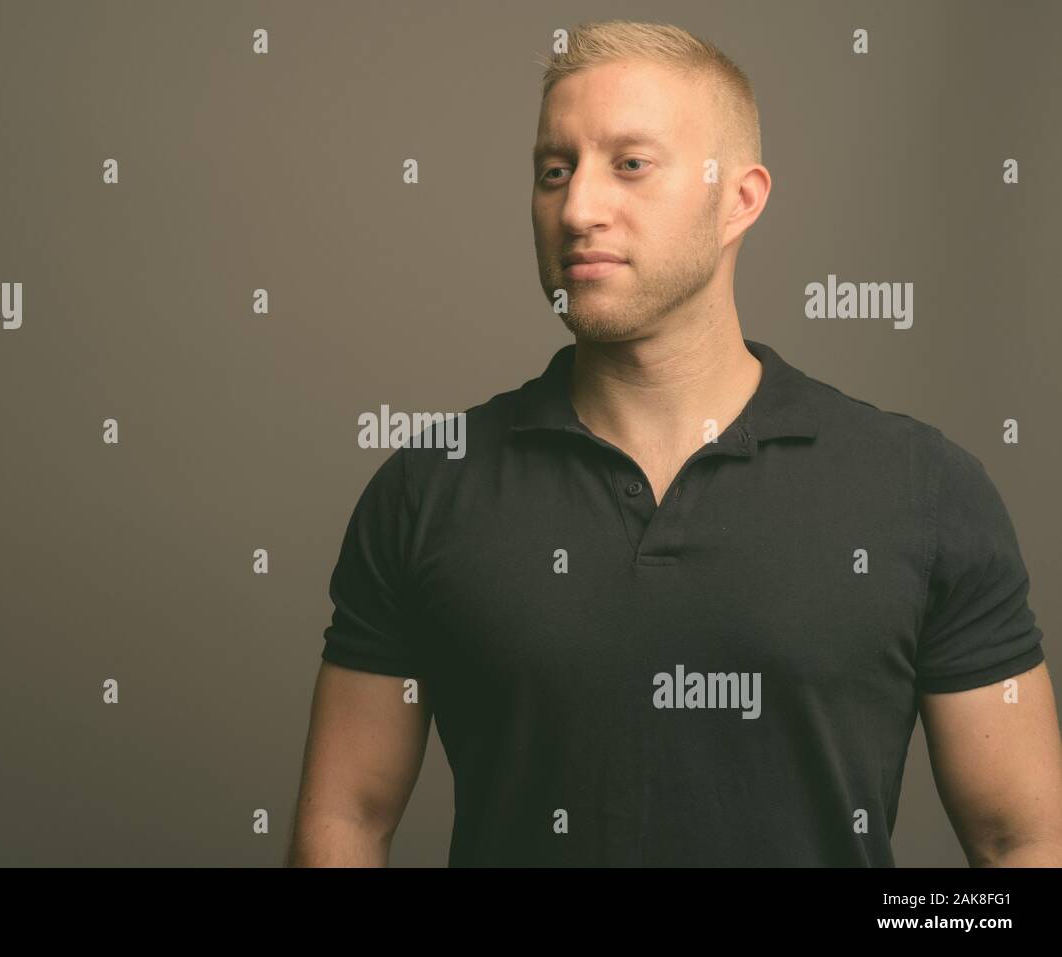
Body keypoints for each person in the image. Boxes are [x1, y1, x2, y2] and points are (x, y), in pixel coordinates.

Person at [287, 19, 1062, 866]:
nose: (578, 208)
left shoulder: (924, 489)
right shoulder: (427, 488)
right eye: (555, 170)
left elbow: (1021, 841)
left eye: (630, 164)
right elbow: (345, 823)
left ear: (740, 199)